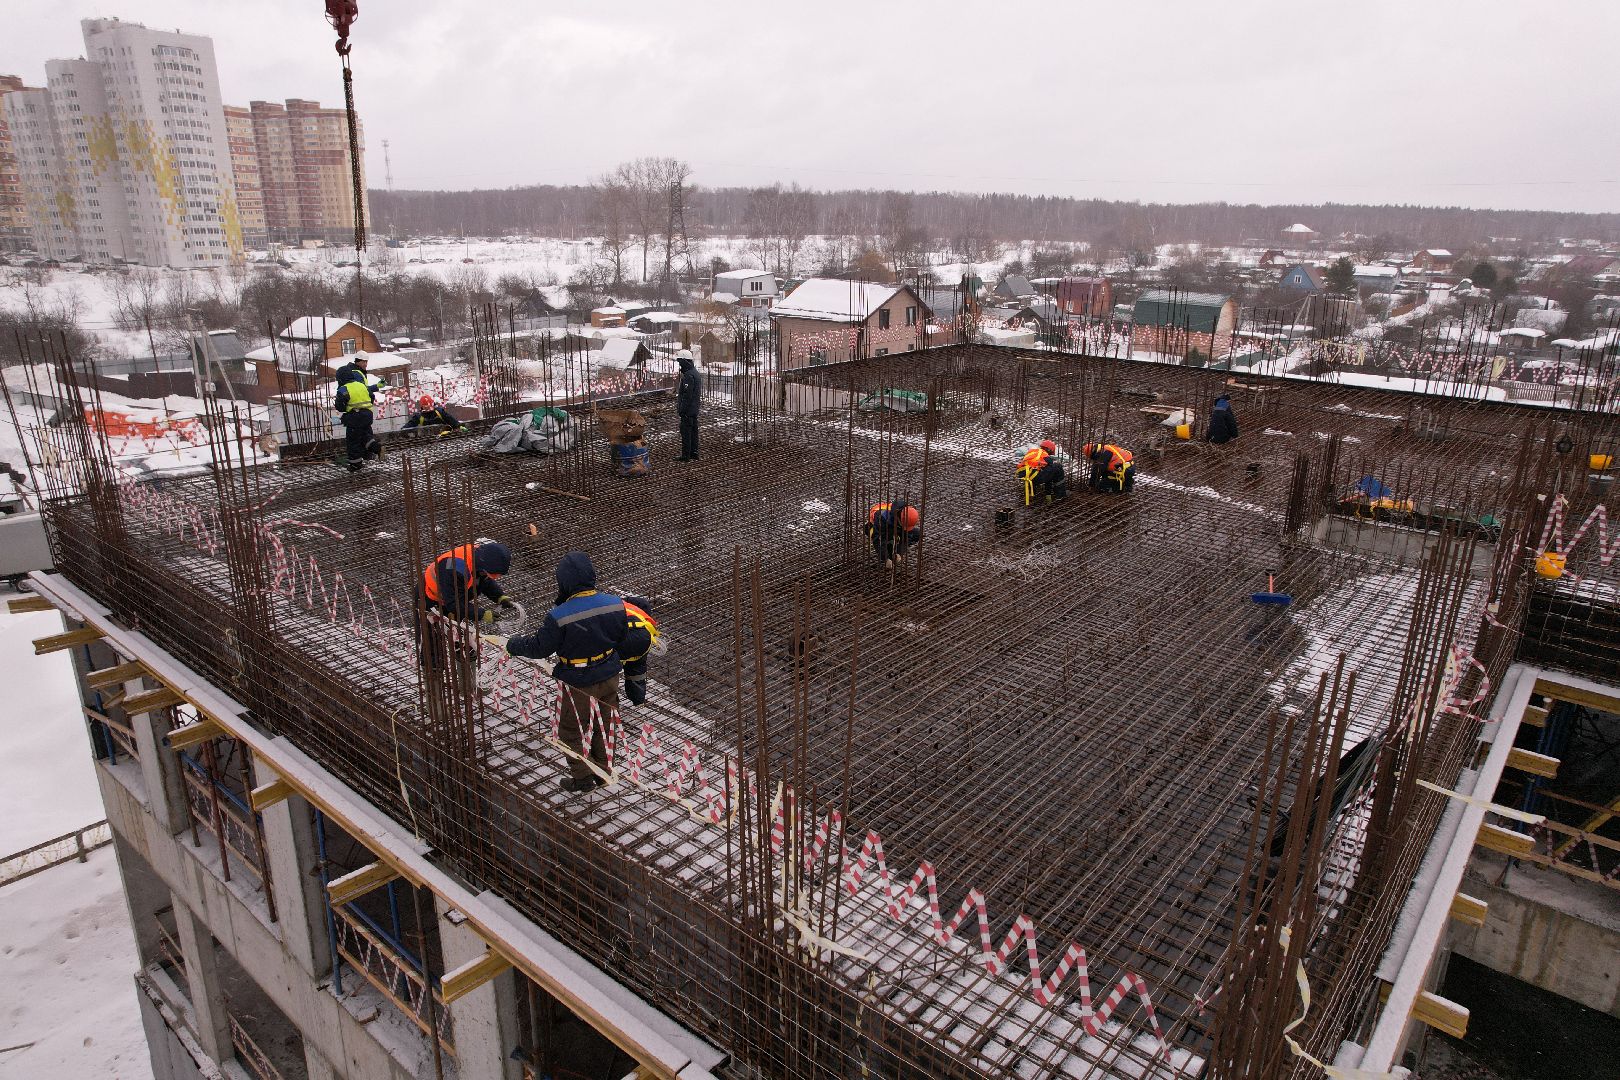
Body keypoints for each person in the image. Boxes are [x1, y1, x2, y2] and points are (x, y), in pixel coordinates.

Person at [505, 552, 652, 792]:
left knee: (571, 731)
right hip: (609, 675)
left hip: (578, 683)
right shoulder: (615, 604)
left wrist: (514, 644)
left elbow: (539, 648)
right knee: (605, 726)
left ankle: (583, 777)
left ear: (564, 581)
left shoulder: (559, 616)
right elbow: (621, 638)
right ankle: (603, 772)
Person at [421, 541, 514, 622]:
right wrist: (481, 614)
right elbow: (454, 603)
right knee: (434, 635)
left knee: (455, 633)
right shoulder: (455, 568)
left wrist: (499, 596)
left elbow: (483, 579)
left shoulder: (481, 556)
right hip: (430, 597)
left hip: (452, 594)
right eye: (496, 574)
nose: (497, 577)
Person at [333, 355, 382, 471]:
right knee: (364, 435)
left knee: (353, 441)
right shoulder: (361, 385)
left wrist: (347, 408)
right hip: (367, 415)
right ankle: (375, 447)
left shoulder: (343, 389)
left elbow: (340, 407)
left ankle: (355, 464)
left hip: (354, 417)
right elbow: (371, 396)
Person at [864, 501, 922, 569]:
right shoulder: (882, 516)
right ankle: (889, 547)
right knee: (886, 539)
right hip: (873, 527)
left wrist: (899, 552)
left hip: (894, 524)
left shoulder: (907, 514)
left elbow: (907, 536)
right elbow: (879, 539)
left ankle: (893, 548)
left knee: (916, 534)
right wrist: (885, 559)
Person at [1018, 440, 1067, 504]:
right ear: (1049, 450)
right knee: (1058, 467)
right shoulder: (1046, 457)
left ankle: (1031, 493)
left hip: (1022, 475)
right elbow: (1049, 477)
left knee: (1037, 471)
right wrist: (1048, 494)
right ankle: (1060, 494)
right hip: (1034, 477)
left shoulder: (1032, 453)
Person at [674, 349, 701, 461]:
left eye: (680, 362)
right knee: (694, 431)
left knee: (686, 432)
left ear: (685, 361)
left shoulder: (689, 376)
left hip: (688, 411)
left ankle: (686, 456)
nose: (680, 365)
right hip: (694, 409)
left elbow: (687, 395)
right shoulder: (695, 373)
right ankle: (694, 453)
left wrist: (682, 410)